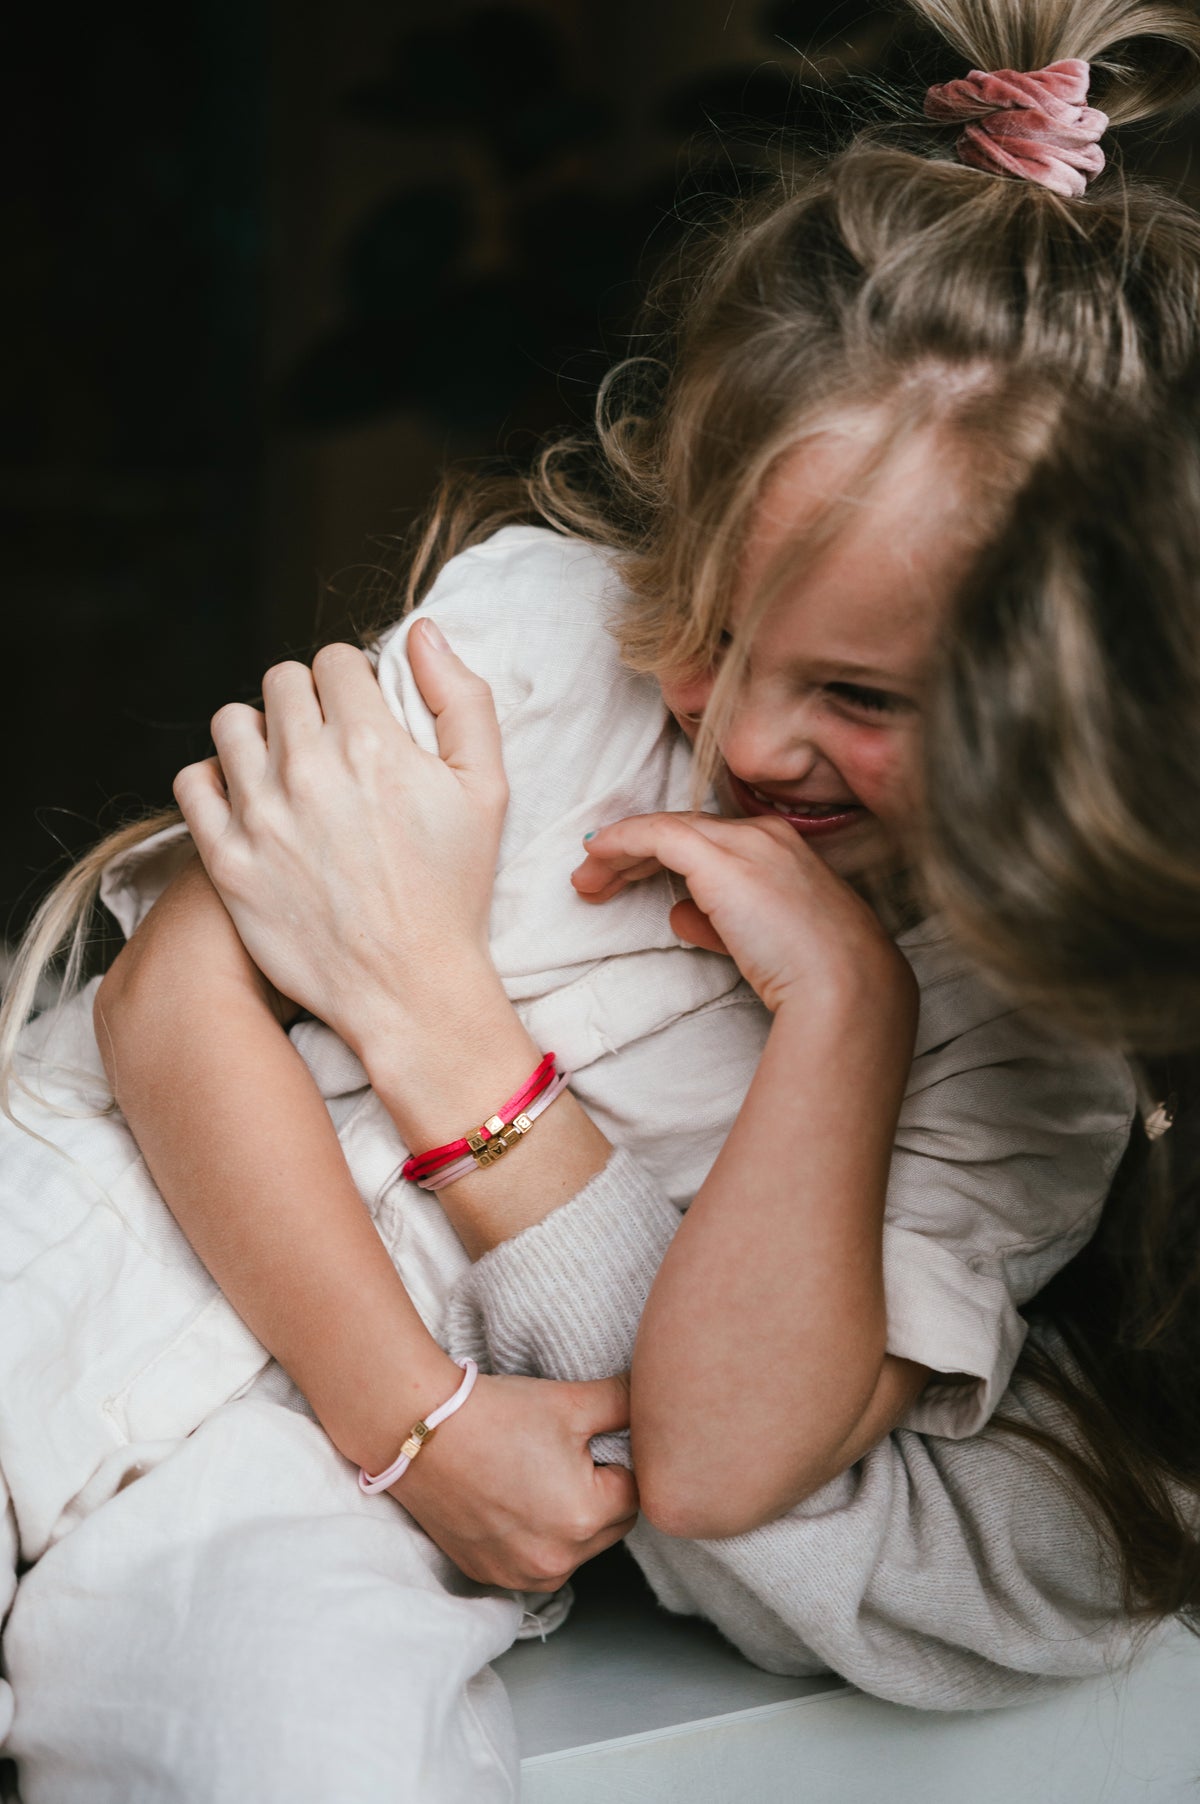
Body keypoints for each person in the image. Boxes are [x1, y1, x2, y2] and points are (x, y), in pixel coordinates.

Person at [1, 1, 1199, 1798]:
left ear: (1070, 695)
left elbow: (721, 1461)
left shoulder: (1023, 1052)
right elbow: (164, 1004)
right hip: (96, 1251)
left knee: (296, 1748)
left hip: (321, 1503)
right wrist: (412, 1417)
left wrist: (847, 1024)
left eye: (866, 699)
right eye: (715, 627)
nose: (746, 727)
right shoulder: (549, 636)